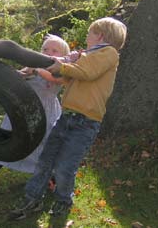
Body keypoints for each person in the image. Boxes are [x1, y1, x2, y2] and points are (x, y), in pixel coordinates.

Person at [10, 17, 127, 220]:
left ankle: (63, 201)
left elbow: (87, 72)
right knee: (45, 160)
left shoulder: (109, 53)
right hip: (67, 116)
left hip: (86, 121)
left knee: (65, 167)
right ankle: (32, 197)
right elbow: (69, 75)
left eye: (90, 33)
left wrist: (62, 66)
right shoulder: (89, 55)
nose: (86, 37)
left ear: (100, 35)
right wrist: (55, 64)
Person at [0, 35, 70, 203]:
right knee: (7, 146)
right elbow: (19, 76)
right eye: (45, 49)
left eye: (54, 50)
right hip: (23, 112)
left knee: (46, 147)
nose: (48, 53)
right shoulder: (33, 66)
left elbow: (55, 79)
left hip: (47, 113)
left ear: (63, 55)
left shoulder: (63, 70)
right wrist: (19, 74)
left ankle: (51, 180)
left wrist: (36, 71)